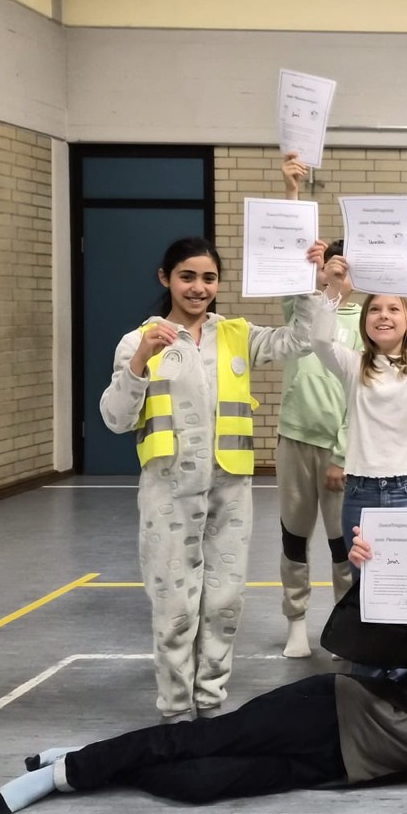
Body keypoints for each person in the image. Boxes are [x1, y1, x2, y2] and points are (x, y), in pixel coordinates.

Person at [0, 531, 407, 814]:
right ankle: (67, 773)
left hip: (335, 767)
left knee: (198, 784)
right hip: (329, 709)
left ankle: (95, 759)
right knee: (202, 738)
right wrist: (370, 572)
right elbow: (405, 632)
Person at [99, 236, 320, 717]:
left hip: (230, 490)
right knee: (175, 608)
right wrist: (138, 364)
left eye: (208, 278)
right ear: (166, 278)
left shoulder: (236, 334)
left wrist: (306, 282)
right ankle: (177, 711)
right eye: (187, 277)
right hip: (168, 492)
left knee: (223, 604)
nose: (198, 288)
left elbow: (301, 340)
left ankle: (211, 702)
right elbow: (115, 418)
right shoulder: (139, 341)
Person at [309, 256, 407, 563]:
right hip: (359, 492)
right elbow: (320, 342)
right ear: (365, 320)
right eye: (375, 309)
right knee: (364, 578)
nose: (383, 315)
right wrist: (334, 291)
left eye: (393, 309)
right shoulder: (352, 364)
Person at [277, 155, 362, 658]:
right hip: (293, 439)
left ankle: (344, 629)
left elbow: (362, 392)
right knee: (293, 535)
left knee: (340, 544)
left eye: (347, 269)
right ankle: (296, 622)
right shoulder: (304, 308)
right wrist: (294, 191)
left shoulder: (366, 320)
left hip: (337, 450)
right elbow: (290, 254)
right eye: (333, 265)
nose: (339, 273)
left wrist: (343, 454)